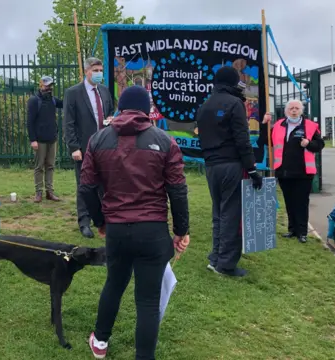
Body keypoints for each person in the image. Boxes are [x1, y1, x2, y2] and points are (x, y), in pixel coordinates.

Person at [79, 86, 189, 360]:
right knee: (148, 300)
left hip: (117, 229)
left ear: (120, 107)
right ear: (146, 110)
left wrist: (101, 221)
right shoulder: (165, 141)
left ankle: (101, 341)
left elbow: (86, 187)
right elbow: (177, 189)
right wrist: (181, 230)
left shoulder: (97, 139)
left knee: (114, 284)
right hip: (151, 231)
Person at [196, 66, 262, 277]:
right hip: (231, 165)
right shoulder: (235, 103)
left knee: (219, 213)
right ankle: (225, 264)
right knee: (231, 214)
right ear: (233, 82)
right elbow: (242, 139)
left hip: (211, 166)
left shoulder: (205, 104)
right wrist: (252, 169)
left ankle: (215, 256)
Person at [63, 57, 115, 238]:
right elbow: (68, 122)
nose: (99, 73)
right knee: (84, 185)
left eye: (101, 70)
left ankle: (101, 220)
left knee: (104, 185)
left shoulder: (105, 91)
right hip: (84, 148)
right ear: (86, 71)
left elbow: (110, 111)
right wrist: (74, 147)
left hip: (105, 146)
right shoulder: (73, 93)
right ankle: (84, 221)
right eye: (95, 70)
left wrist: (111, 119)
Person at [263, 99, 324, 243]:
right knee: (289, 202)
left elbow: (319, 145)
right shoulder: (278, 125)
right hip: (284, 171)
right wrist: (265, 124)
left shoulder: (310, 126)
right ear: (286, 111)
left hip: (303, 172)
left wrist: (309, 143)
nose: (294, 110)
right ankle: (292, 229)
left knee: (301, 202)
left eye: (297, 108)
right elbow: (267, 141)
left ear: (301, 110)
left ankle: (302, 232)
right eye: (291, 108)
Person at [27, 75, 63, 202]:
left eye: (50, 85)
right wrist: (33, 140)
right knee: (39, 166)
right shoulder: (34, 101)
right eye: (46, 85)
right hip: (39, 140)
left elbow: (65, 103)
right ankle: (38, 193)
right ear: (40, 85)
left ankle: (50, 192)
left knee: (50, 166)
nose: (49, 88)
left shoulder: (53, 100)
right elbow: (30, 122)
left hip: (52, 138)